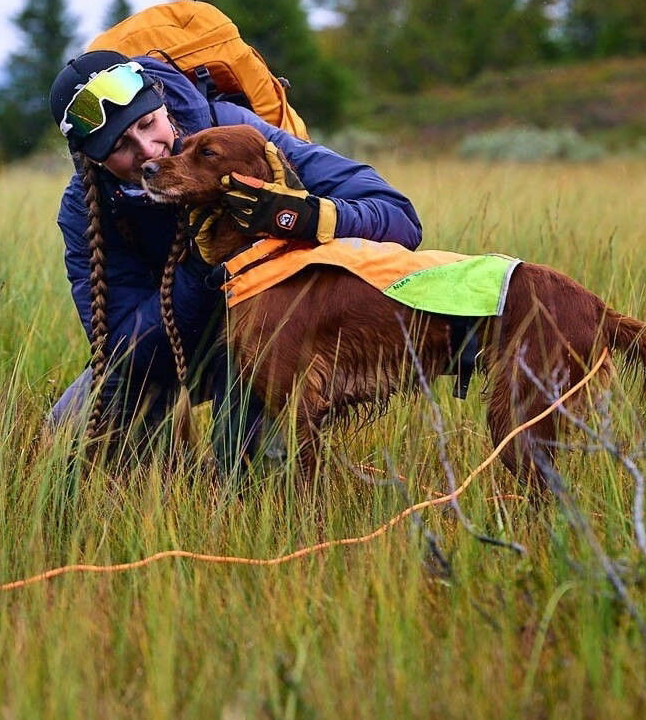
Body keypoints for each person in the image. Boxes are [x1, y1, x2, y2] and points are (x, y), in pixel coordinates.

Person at [47, 48, 422, 471]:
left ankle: (275, 495)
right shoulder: (85, 210)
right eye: (121, 146)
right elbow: (128, 349)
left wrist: (298, 215)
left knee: (251, 461)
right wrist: (209, 264)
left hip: (275, 327)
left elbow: (401, 220)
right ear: (93, 160)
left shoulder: (239, 135)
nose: (149, 150)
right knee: (71, 428)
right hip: (180, 344)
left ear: (161, 102)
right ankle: (161, 494)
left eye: (148, 123)